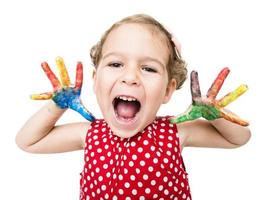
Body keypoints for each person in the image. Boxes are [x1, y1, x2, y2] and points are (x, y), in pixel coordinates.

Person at [16, 14, 251, 200]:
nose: (130, 77)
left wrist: (214, 116)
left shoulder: (174, 131)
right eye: (116, 63)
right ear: (95, 81)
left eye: (148, 68)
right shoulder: (90, 133)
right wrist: (57, 106)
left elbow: (238, 138)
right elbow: (28, 141)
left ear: (168, 90)